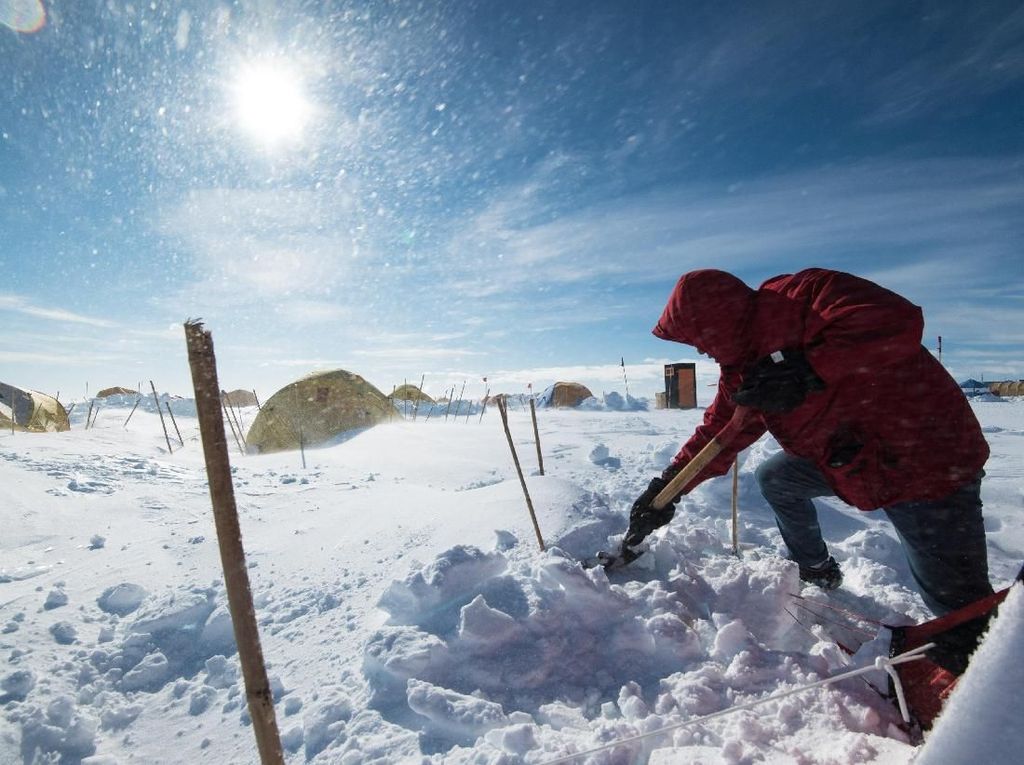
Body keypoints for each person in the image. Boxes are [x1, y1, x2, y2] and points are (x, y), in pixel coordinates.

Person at [625, 268, 993, 615]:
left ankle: (978, 659)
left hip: (924, 459)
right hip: (853, 459)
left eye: (698, 340)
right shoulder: (744, 366)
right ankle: (817, 569)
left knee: (957, 605)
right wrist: (666, 488)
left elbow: (895, 321)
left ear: (715, 323)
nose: (701, 352)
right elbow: (720, 432)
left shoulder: (807, 296)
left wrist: (807, 369)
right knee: (777, 478)